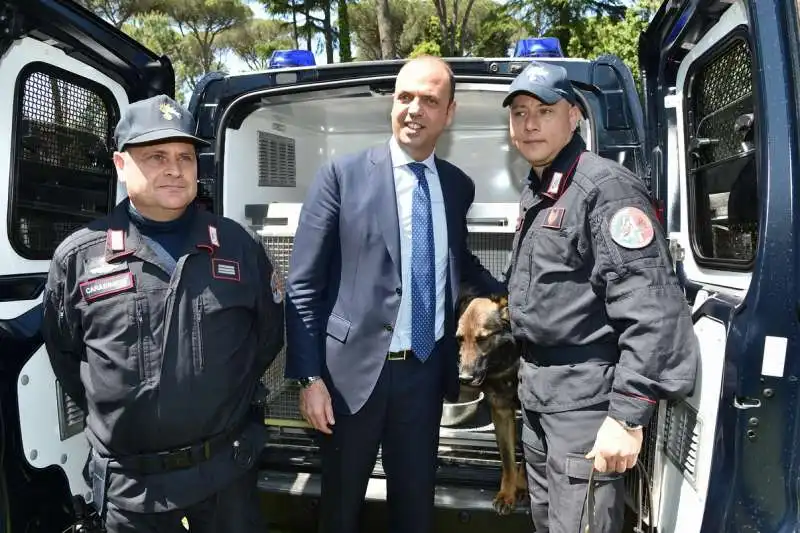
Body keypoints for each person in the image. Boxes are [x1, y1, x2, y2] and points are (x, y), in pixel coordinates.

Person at [41, 94, 285, 533]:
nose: (175, 169)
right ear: (120, 165)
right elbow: (67, 356)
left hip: (224, 478)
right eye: (156, 156)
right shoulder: (78, 258)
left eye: (185, 157)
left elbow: (266, 338)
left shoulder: (237, 247)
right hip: (133, 492)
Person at [284, 56, 503, 533]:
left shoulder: (456, 186)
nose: (413, 110)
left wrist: (510, 297)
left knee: (415, 510)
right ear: (392, 103)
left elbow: (455, 260)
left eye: (429, 100)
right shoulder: (341, 176)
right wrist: (308, 379)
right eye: (405, 97)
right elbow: (303, 284)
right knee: (340, 512)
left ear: (449, 113)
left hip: (425, 375)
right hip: (349, 379)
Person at [502, 61, 700, 532]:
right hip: (539, 394)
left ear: (574, 116)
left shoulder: (603, 189)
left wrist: (628, 416)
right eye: (519, 112)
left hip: (584, 405)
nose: (529, 123)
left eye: (544, 111)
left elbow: (652, 307)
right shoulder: (544, 189)